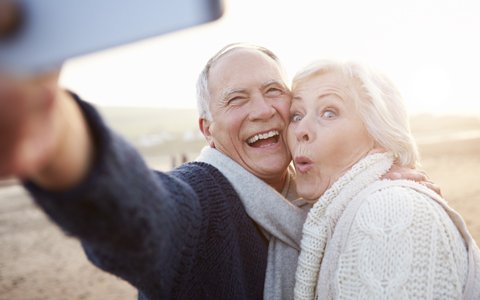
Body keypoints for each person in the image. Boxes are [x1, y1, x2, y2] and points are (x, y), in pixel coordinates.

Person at [0, 43, 437, 299]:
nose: (263, 110)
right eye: (237, 99)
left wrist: (366, 182)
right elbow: (142, 216)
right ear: (208, 131)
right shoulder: (203, 201)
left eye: (272, 92)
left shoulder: (317, 201)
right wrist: (56, 135)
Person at [287, 60, 480, 299]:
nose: (300, 130)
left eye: (329, 112)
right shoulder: (327, 216)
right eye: (296, 115)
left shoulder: (388, 210)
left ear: (378, 133)